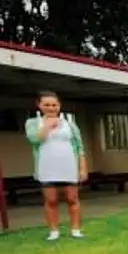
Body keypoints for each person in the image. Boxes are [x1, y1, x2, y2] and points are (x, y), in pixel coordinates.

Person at [24, 90, 88, 241]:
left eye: (54, 105)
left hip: (68, 166)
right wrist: (47, 126)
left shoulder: (70, 125)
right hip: (46, 167)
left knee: (72, 199)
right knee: (51, 200)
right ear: (39, 105)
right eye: (47, 105)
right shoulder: (32, 123)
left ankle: (75, 229)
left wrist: (83, 168)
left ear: (59, 105)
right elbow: (34, 139)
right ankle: (53, 231)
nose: (51, 108)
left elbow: (80, 147)